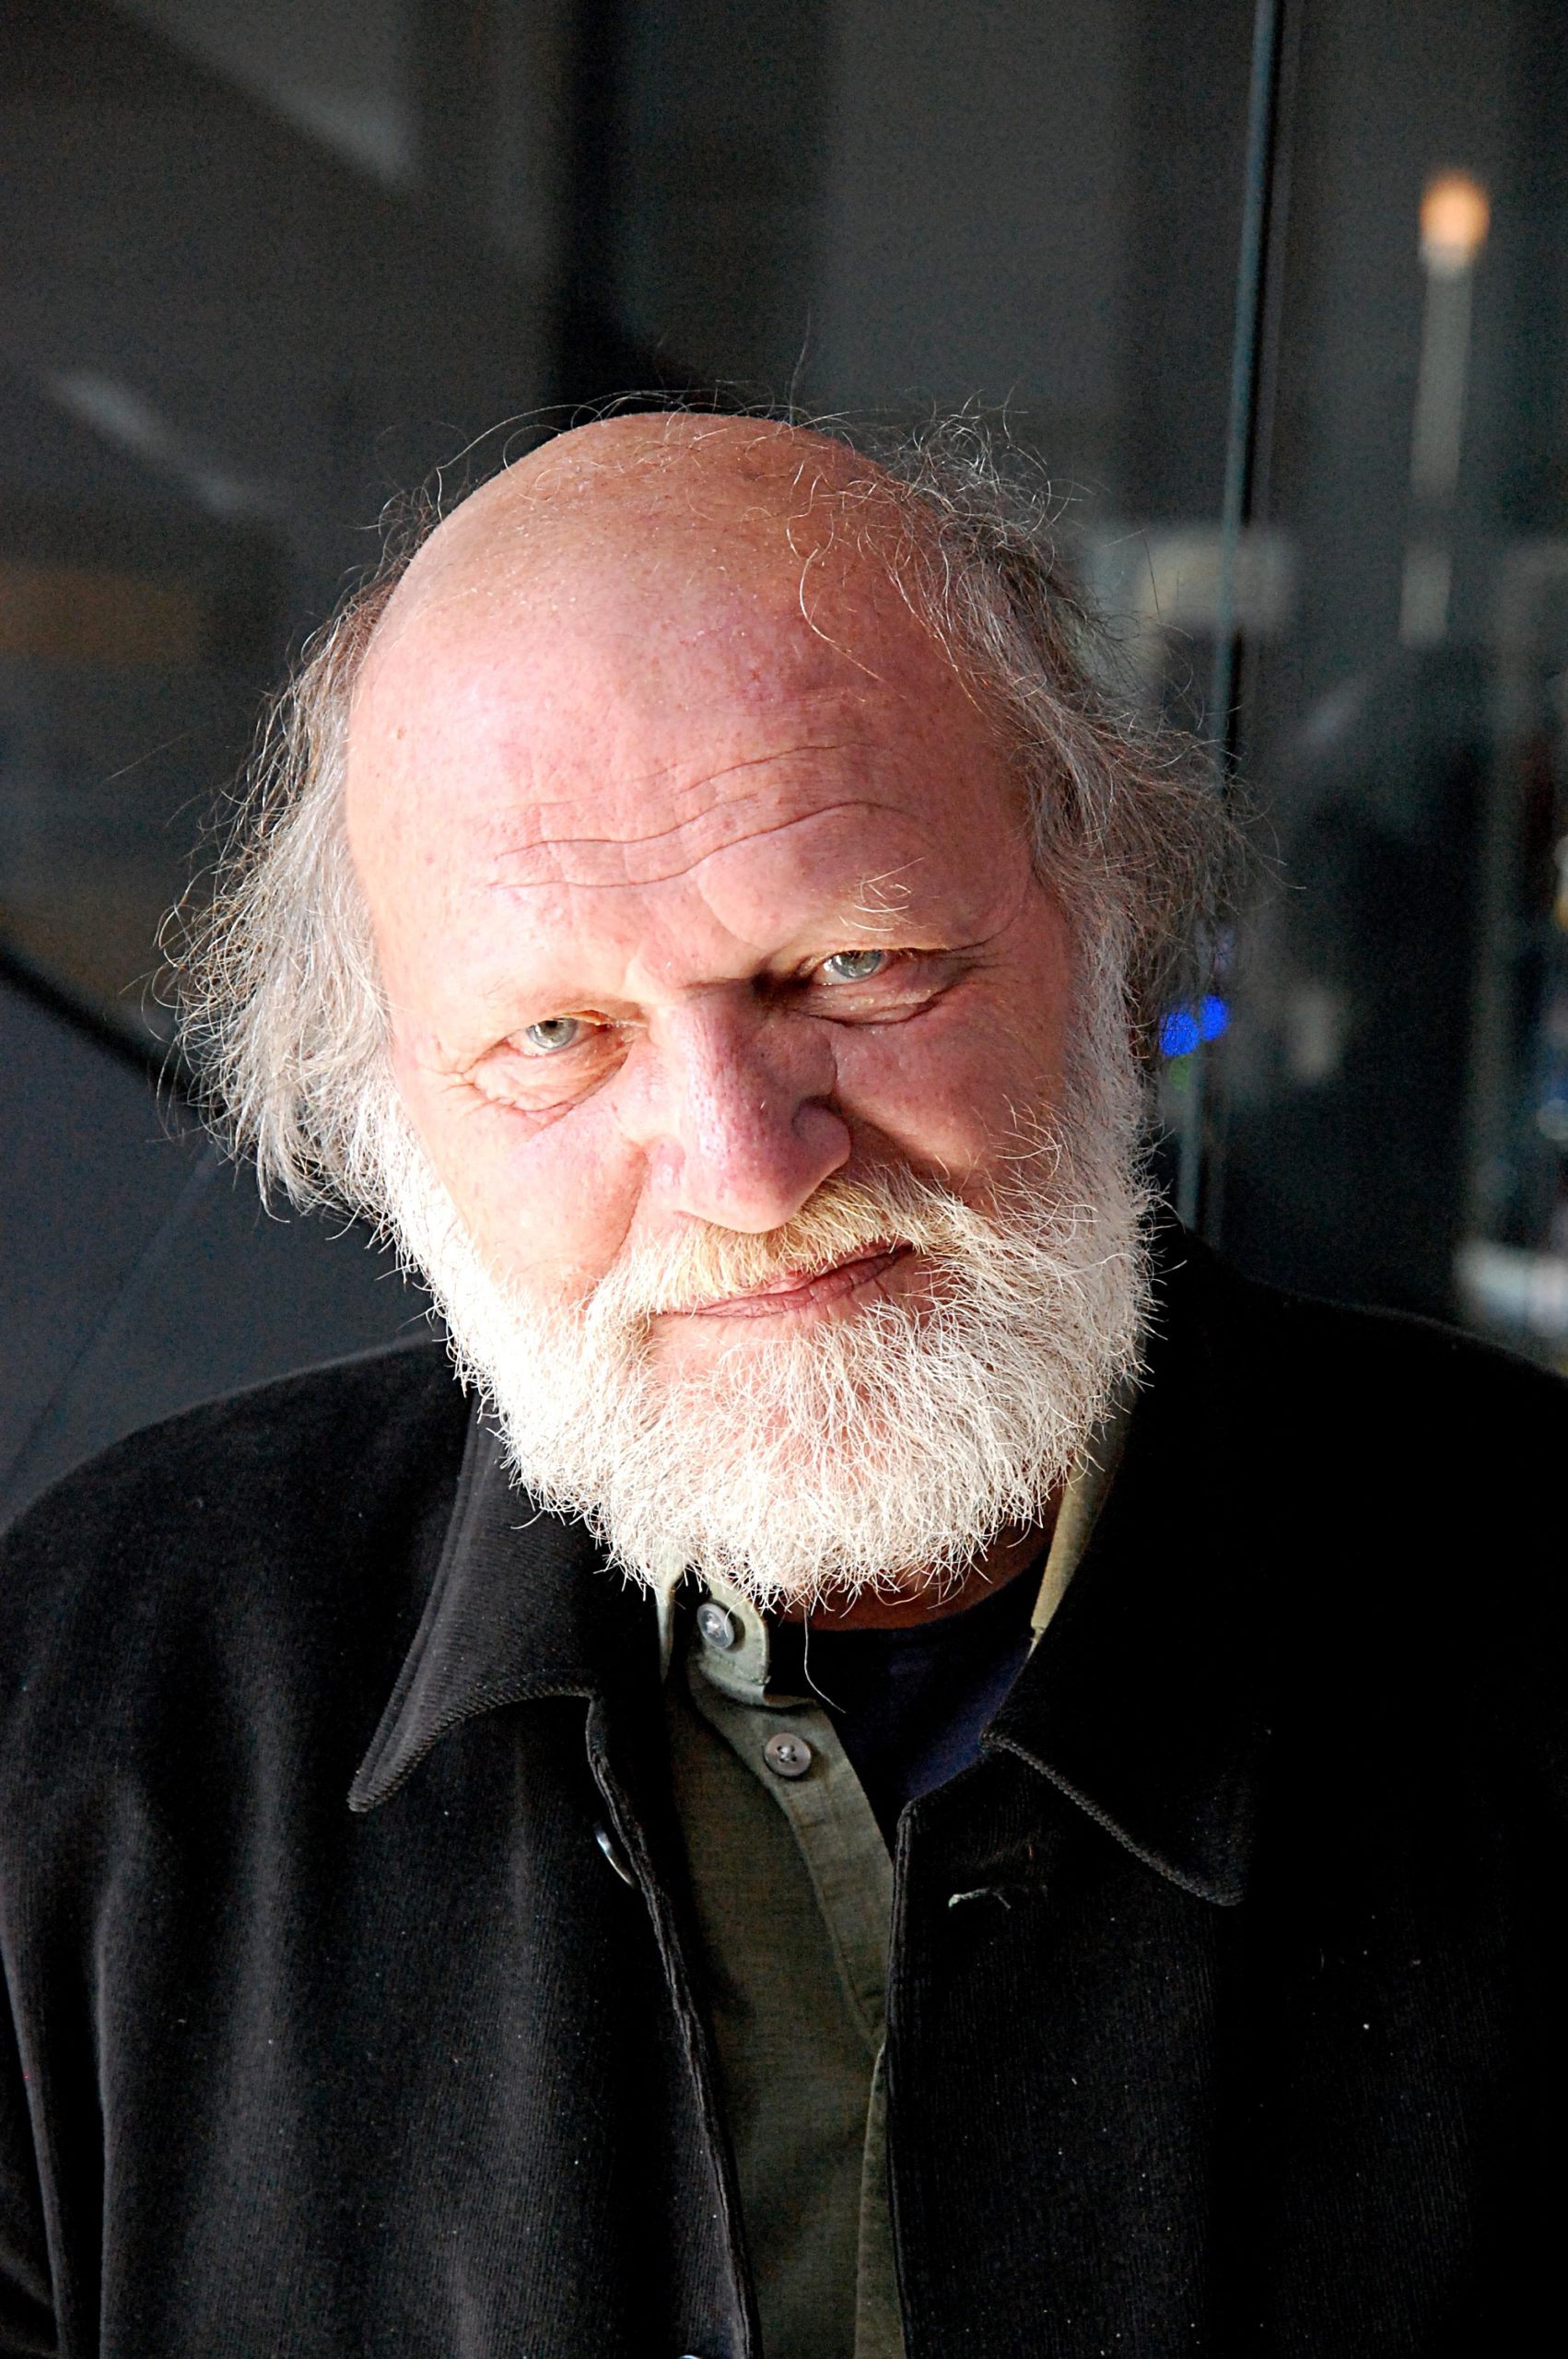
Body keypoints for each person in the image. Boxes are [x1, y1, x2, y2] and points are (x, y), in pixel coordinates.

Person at [0, 411, 1562, 2359]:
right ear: (383, 1097)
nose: (746, 1168)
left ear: (1098, 915)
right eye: (557, 1034)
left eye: (850, 962)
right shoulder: (83, 1704)